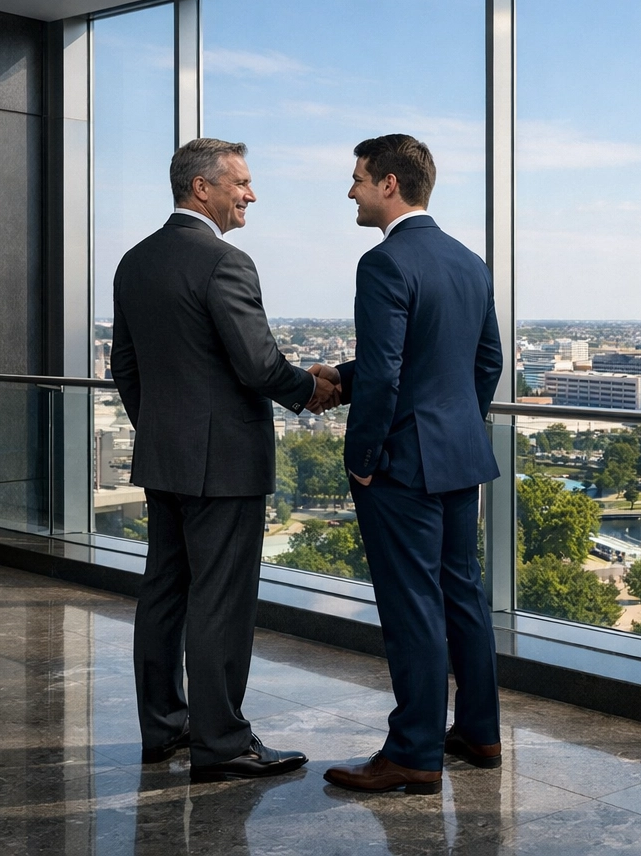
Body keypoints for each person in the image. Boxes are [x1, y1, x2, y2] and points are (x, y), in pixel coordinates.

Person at [112, 137, 336, 782]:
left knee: (163, 593)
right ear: (202, 188)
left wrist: (163, 428)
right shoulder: (225, 262)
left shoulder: (134, 261)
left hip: (164, 456)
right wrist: (311, 390)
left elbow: (125, 365)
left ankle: (164, 728)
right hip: (225, 464)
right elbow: (258, 363)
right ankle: (222, 742)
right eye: (241, 182)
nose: (252, 193)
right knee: (221, 600)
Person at [317, 134, 504, 795]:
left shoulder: (385, 263)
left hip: (402, 466)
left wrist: (363, 457)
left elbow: (390, 371)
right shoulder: (470, 262)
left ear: (390, 184)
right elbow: (486, 364)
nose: (352, 190)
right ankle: (480, 734)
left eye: (359, 178)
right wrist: (450, 421)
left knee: (412, 608)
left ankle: (415, 753)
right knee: (463, 598)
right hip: (458, 455)